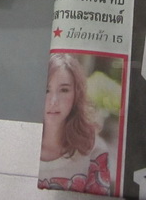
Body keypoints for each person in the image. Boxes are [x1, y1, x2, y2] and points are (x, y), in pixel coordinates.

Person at [38, 53, 112, 195]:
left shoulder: (95, 151)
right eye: (46, 90)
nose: (53, 101)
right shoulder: (17, 141)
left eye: (64, 90)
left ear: (76, 94)